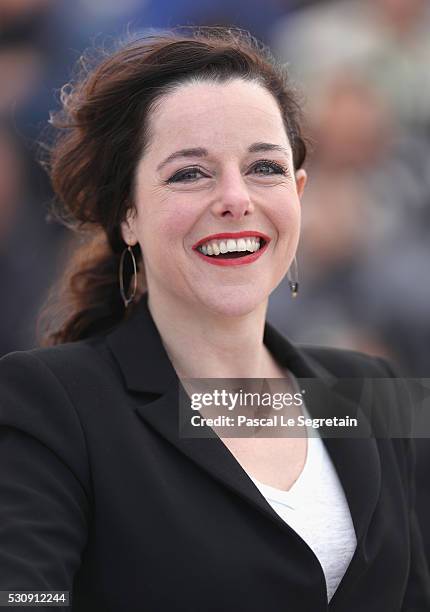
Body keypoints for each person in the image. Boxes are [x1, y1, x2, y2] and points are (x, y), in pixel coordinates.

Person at [0, 27, 429, 612]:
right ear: (127, 214)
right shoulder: (48, 403)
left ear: (298, 193)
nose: (235, 197)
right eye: (189, 173)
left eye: (264, 168)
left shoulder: (376, 391)